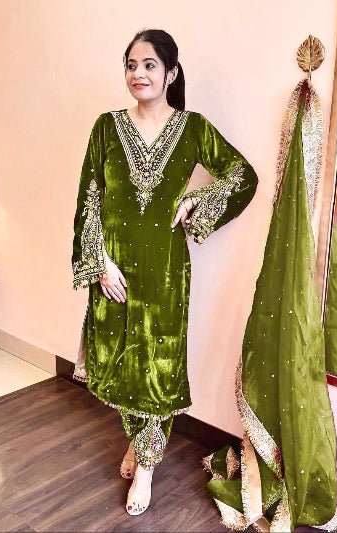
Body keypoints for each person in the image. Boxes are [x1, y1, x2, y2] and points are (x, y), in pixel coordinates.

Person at [71, 28, 258, 516]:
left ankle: (148, 466)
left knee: (157, 367)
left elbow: (243, 175)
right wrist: (99, 263)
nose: (138, 74)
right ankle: (138, 444)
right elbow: (90, 198)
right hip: (113, 271)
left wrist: (198, 200)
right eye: (131, 65)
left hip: (165, 272)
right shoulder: (106, 128)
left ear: (171, 73)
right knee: (120, 362)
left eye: (149, 65)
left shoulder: (192, 128)